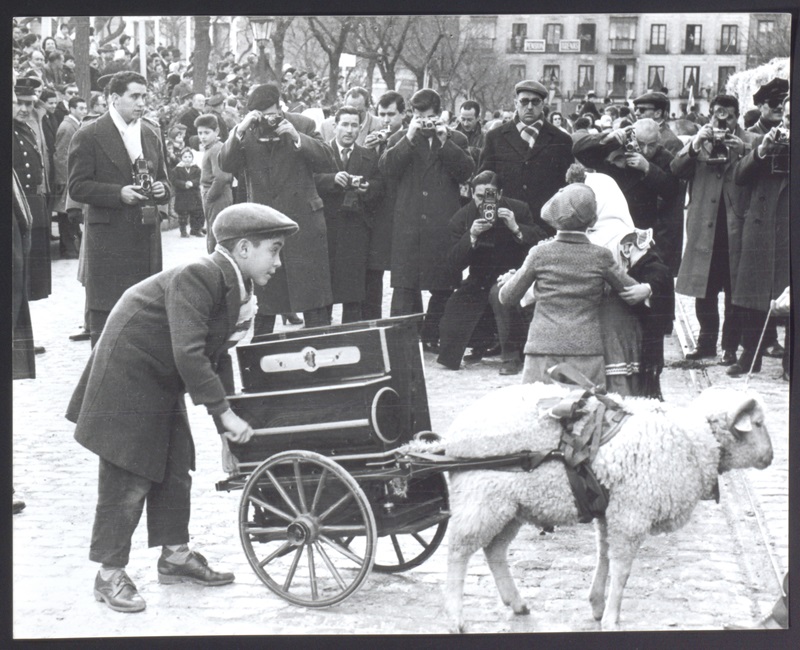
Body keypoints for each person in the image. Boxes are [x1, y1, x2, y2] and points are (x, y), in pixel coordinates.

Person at [66, 203, 297, 613]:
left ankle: (175, 556)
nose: (278, 261)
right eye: (274, 250)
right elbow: (190, 355)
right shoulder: (200, 275)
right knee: (129, 476)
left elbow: (216, 354)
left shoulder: (232, 283)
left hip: (159, 377)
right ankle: (108, 574)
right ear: (244, 248)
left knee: (176, 465)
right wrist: (224, 414)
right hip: (128, 377)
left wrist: (226, 425)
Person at [219, 82, 337, 335]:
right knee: (268, 299)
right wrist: (238, 131)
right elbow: (227, 164)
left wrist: (297, 138)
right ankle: (260, 359)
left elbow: (328, 160)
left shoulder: (302, 124)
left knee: (312, 297)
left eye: (273, 114)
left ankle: (322, 352)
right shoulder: (247, 131)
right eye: (263, 115)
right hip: (265, 225)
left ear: (281, 107)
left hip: (303, 222)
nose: (269, 120)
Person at [497, 183, 637, 386]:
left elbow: (506, 297)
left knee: (539, 413)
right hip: (586, 350)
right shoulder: (601, 256)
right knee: (587, 412)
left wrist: (515, 278)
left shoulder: (539, 254)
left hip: (542, 348)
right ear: (594, 220)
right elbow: (631, 291)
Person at [68, 71, 171, 346]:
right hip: (109, 241)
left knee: (145, 312)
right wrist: (118, 194)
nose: (141, 103)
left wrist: (163, 189)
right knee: (107, 318)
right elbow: (77, 187)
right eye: (134, 96)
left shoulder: (150, 133)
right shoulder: (89, 134)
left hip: (146, 236)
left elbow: (163, 177)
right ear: (115, 98)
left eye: (144, 97)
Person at [379, 88, 475, 351]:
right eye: (419, 116)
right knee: (404, 287)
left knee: (443, 286)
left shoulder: (456, 138)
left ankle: (432, 335)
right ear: (411, 114)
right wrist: (408, 137)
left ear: (440, 114)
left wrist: (446, 143)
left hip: (442, 224)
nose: (425, 122)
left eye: (430, 117)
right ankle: (401, 341)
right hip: (408, 224)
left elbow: (467, 172)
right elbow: (387, 169)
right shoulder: (400, 138)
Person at [671, 94, 757, 366]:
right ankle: (706, 342)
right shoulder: (700, 140)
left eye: (729, 116)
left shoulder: (749, 141)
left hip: (736, 227)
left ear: (738, 116)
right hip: (705, 227)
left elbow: (761, 170)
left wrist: (742, 148)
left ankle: (730, 347)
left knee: (735, 292)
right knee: (703, 289)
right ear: (710, 114)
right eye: (718, 114)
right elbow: (676, 169)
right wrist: (696, 144)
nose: (723, 120)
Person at [437, 171, 543, 375]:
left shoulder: (517, 209)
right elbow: (452, 263)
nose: (484, 202)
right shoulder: (463, 217)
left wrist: (516, 227)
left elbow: (540, 242)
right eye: (478, 197)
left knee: (500, 295)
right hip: (480, 278)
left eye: (490, 196)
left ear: (500, 194)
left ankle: (511, 356)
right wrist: (471, 237)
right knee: (456, 306)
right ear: (470, 194)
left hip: (511, 275)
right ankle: (478, 344)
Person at [728, 93, 790, 379]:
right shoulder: (762, 141)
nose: (788, 122)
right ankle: (749, 357)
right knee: (753, 296)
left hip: (790, 227)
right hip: (762, 226)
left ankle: (791, 363)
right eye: (787, 116)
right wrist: (762, 151)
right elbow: (739, 176)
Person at [478, 80, 574, 242]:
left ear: (543, 104)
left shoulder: (561, 139)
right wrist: (489, 215)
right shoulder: (495, 137)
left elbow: (566, 187)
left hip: (544, 228)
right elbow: (486, 179)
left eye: (535, 101)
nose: (529, 106)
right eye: (524, 101)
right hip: (503, 225)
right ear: (516, 103)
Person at [315, 106, 383, 323]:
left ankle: (350, 341)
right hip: (325, 231)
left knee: (353, 296)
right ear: (334, 126)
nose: (349, 130)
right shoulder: (320, 152)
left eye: (355, 125)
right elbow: (307, 181)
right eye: (345, 124)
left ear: (361, 128)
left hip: (355, 234)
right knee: (323, 294)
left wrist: (368, 188)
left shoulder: (369, 156)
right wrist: (331, 180)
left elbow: (380, 185)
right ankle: (322, 338)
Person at [573, 118, 679, 236]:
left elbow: (671, 190)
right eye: (641, 143)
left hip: (642, 222)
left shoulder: (662, 156)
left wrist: (648, 169)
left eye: (651, 145)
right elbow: (579, 151)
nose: (645, 150)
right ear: (632, 137)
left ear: (658, 141)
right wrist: (606, 138)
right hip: (609, 220)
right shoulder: (615, 147)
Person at [362, 90, 406, 320]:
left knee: (404, 276)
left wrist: (388, 144)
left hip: (403, 212)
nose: (386, 120)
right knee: (374, 271)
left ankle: (402, 325)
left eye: (391, 114)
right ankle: (373, 321)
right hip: (379, 214)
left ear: (403, 114)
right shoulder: (374, 138)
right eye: (382, 114)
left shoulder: (410, 136)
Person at [619, 229, 675, 399]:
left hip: (647, 332)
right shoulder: (644, 261)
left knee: (647, 375)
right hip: (643, 330)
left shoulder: (650, 263)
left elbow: (661, 275)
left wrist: (648, 288)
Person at [13, 76, 52, 319]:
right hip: (15, 208)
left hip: (31, 205)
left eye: (29, 104)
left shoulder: (26, 129)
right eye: (20, 103)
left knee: (29, 276)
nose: (25, 109)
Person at [53, 94, 88, 259]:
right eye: (80, 108)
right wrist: (64, 179)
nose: (84, 111)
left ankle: (71, 248)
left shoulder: (75, 125)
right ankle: (68, 249)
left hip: (71, 176)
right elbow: (61, 156)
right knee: (65, 215)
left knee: (69, 215)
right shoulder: (67, 127)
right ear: (71, 109)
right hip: (67, 178)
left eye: (85, 108)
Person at [196, 113, 233, 252]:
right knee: (213, 230)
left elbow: (222, 177)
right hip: (215, 194)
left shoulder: (216, 148)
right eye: (200, 133)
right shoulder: (211, 148)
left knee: (216, 233)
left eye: (207, 132)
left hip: (218, 196)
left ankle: (215, 266)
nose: (203, 136)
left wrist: (209, 197)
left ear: (216, 131)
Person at [172, 147, 204, 238]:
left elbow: (199, 179)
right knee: (183, 214)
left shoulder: (197, 168)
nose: (187, 159)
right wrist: (183, 184)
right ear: (181, 158)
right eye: (185, 157)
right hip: (182, 195)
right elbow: (174, 180)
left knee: (197, 213)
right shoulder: (177, 169)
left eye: (189, 157)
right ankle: (183, 231)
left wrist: (193, 183)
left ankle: (196, 229)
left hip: (194, 195)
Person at [454, 100, 485, 164]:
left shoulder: (486, 136)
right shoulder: (452, 134)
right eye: (463, 119)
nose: (466, 124)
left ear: (478, 118)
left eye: (469, 120)